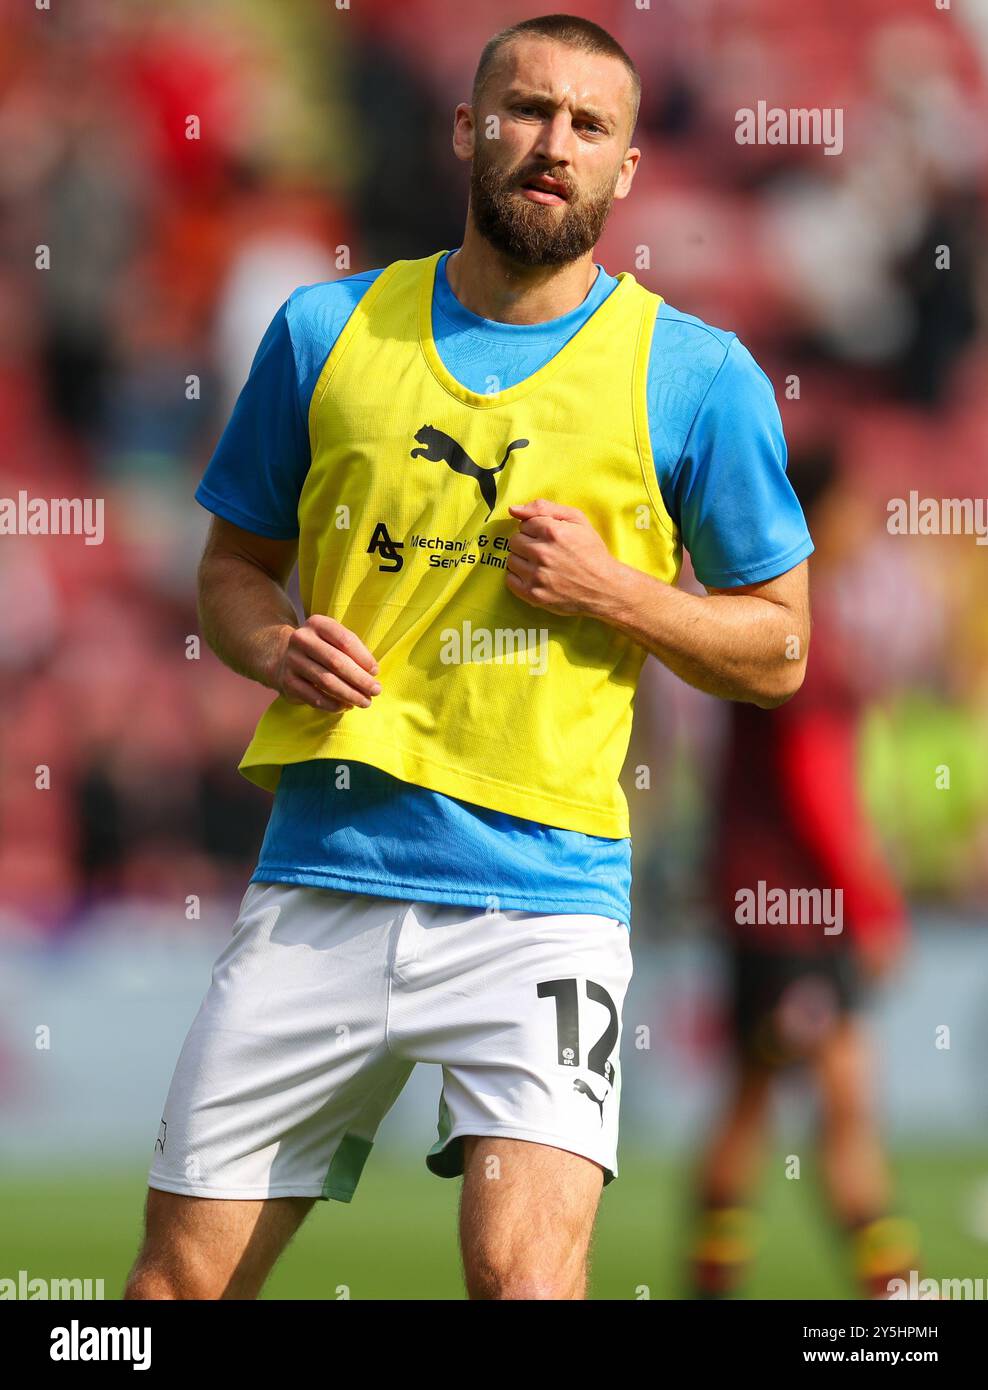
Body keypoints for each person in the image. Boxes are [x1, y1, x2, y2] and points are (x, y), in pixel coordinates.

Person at [125, 13, 812, 1302]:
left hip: (543, 905)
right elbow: (229, 573)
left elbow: (777, 647)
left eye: (588, 125)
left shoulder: (695, 374)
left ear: (626, 169)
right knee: (173, 1293)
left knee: (522, 1283)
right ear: (466, 129)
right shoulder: (325, 330)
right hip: (322, 884)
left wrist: (621, 593)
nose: (554, 145)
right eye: (527, 110)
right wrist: (272, 644)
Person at [689, 448, 917, 1300]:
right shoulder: (799, 639)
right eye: (855, 510)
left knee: (780, 1103)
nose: (868, 528)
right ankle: (895, 1298)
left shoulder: (792, 624)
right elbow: (812, 791)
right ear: (815, 522)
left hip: (777, 907)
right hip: (788, 913)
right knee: (814, 1103)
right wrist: (876, 909)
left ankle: (883, 1291)